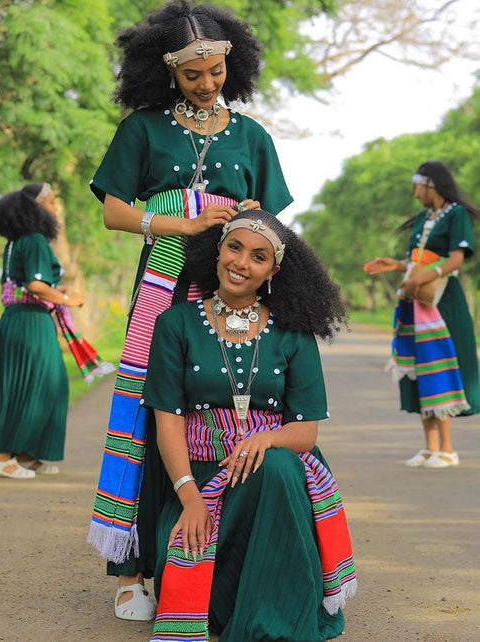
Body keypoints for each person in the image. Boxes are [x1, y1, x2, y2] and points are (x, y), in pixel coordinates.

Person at [86, 0, 293, 621]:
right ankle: (134, 567)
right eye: (192, 74)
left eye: (216, 71)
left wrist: (252, 215)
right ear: (165, 73)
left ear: (235, 62)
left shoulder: (254, 136)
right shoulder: (142, 129)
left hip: (231, 294)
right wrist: (185, 220)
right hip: (162, 290)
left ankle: (216, 558)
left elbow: (271, 226)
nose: (207, 84)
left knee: (226, 414)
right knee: (152, 417)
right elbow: (115, 211)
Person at [140, 210, 356, 641]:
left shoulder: (293, 334)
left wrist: (266, 438)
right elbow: (167, 423)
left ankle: (274, 623)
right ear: (217, 248)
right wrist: (190, 498)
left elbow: (305, 431)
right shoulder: (175, 324)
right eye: (234, 247)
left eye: (258, 257)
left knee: (275, 466)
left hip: (276, 478)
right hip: (201, 476)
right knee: (193, 557)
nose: (241, 262)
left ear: (273, 271)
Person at [363, 161, 480, 468]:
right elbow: (415, 260)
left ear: (432, 185)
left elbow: (456, 259)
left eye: (417, 186)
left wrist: (424, 277)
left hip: (442, 303)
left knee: (438, 366)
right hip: (417, 302)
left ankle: (448, 449)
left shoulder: (456, 215)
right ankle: (429, 448)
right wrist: (398, 266)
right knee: (419, 368)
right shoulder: (425, 218)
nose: (415, 193)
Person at [0, 183, 85, 479]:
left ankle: (24, 453)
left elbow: (25, 284)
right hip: (30, 322)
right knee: (37, 385)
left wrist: (53, 291)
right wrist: (68, 299)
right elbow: (36, 285)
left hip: (17, 318)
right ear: (36, 207)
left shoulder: (15, 242)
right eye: (52, 203)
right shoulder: (36, 240)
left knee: (31, 385)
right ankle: (1, 456)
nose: (55, 209)